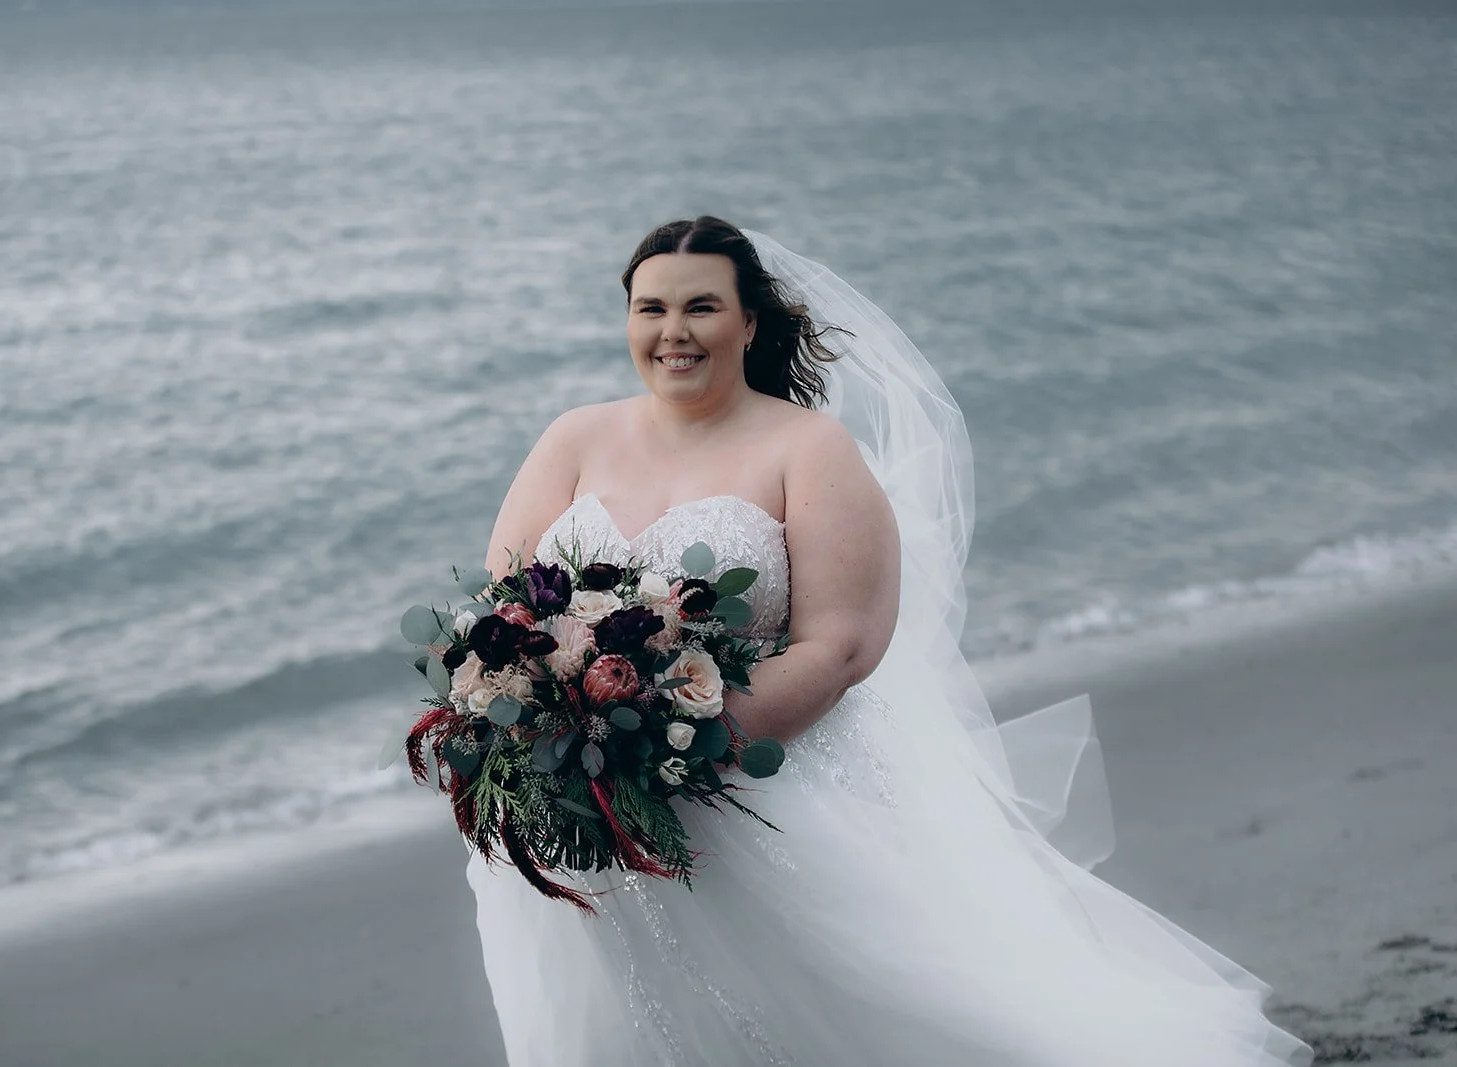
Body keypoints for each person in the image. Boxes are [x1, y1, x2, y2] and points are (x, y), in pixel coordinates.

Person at [466, 215, 1312, 1066]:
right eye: (650, 308)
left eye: (702, 307)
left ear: (748, 323)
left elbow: (843, 645)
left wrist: (677, 753)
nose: (673, 331)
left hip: (765, 788)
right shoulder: (574, 438)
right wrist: (546, 736)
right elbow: (504, 613)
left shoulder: (809, 449)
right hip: (579, 800)